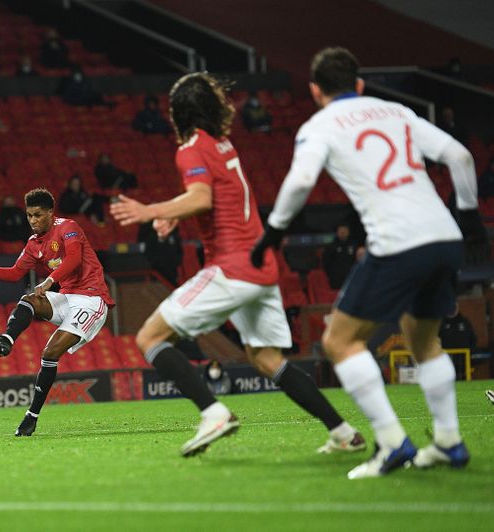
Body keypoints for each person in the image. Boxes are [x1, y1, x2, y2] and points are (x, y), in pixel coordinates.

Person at [251, 47, 484, 478]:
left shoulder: (319, 125)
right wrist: (470, 216)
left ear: (315, 90)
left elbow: (302, 180)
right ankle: (449, 441)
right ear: (359, 84)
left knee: (340, 341)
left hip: (398, 242)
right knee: (423, 339)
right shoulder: (396, 111)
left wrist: (275, 231)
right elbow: (461, 157)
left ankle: (393, 443)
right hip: (444, 237)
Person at [111, 72, 364, 458]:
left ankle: (213, 413)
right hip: (262, 267)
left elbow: (201, 198)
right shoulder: (222, 145)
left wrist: (152, 210)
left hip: (232, 267)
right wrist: (178, 214)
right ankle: (344, 432)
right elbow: (214, 195)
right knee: (265, 358)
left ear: (179, 113)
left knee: (150, 338)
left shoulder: (191, 148)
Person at [0, 188, 114, 436]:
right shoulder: (33, 244)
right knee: (29, 299)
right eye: (29, 215)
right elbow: (14, 273)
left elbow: (73, 258)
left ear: (51, 213)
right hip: (67, 298)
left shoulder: (67, 227)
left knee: (49, 352)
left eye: (38, 215)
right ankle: (6, 340)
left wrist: (49, 281)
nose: (32, 220)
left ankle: (31, 417)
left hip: (92, 299)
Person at [137, 220, 182, 286]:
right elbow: (148, 253)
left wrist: (176, 261)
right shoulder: (151, 237)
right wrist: (155, 262)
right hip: (157, 270)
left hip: (172, 269)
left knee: (172, 286)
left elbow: (179, 250)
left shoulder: (174, 235)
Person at [321, 224, 356, 289]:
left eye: (344, 231)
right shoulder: (331, 246)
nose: (342, 233)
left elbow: (356, 261)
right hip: (336, 280)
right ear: (337, 232)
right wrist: (333, 275)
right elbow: (326, 263)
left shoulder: (353, 245)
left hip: (350, 278)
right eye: (341, 231)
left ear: (348, 232)